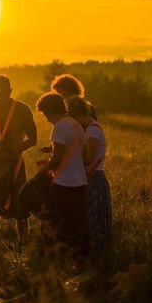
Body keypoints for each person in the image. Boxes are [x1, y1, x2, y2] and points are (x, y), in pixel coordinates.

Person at [0, 75, 37, 245]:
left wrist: (15, 149)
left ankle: (24, 243)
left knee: (21, 205)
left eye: (4, 92)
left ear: (10, 91)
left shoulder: (22, 109)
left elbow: (33, 139)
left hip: (15, 163)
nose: (0, 95)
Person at [35, 92, 89, 265]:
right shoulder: (76, 124)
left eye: (45, 114)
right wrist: (51, 157)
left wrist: (44, 170)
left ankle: (48, 257)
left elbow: (58, 158)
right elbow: (77, 153)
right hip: (79, 181)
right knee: (75, 222)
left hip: (63, 182)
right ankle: (77, 258)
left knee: (50, 221)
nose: (46, 118)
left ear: (51, 110)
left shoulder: (59, 127)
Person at [67, 96, 111, 263]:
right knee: (91, 218)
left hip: (93, 179)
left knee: (92, 219)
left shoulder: (92, 131)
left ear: (78, 115)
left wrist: (68, 158)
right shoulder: (90, 128)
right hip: (92, 178)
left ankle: (95, 258)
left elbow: (89, 158)